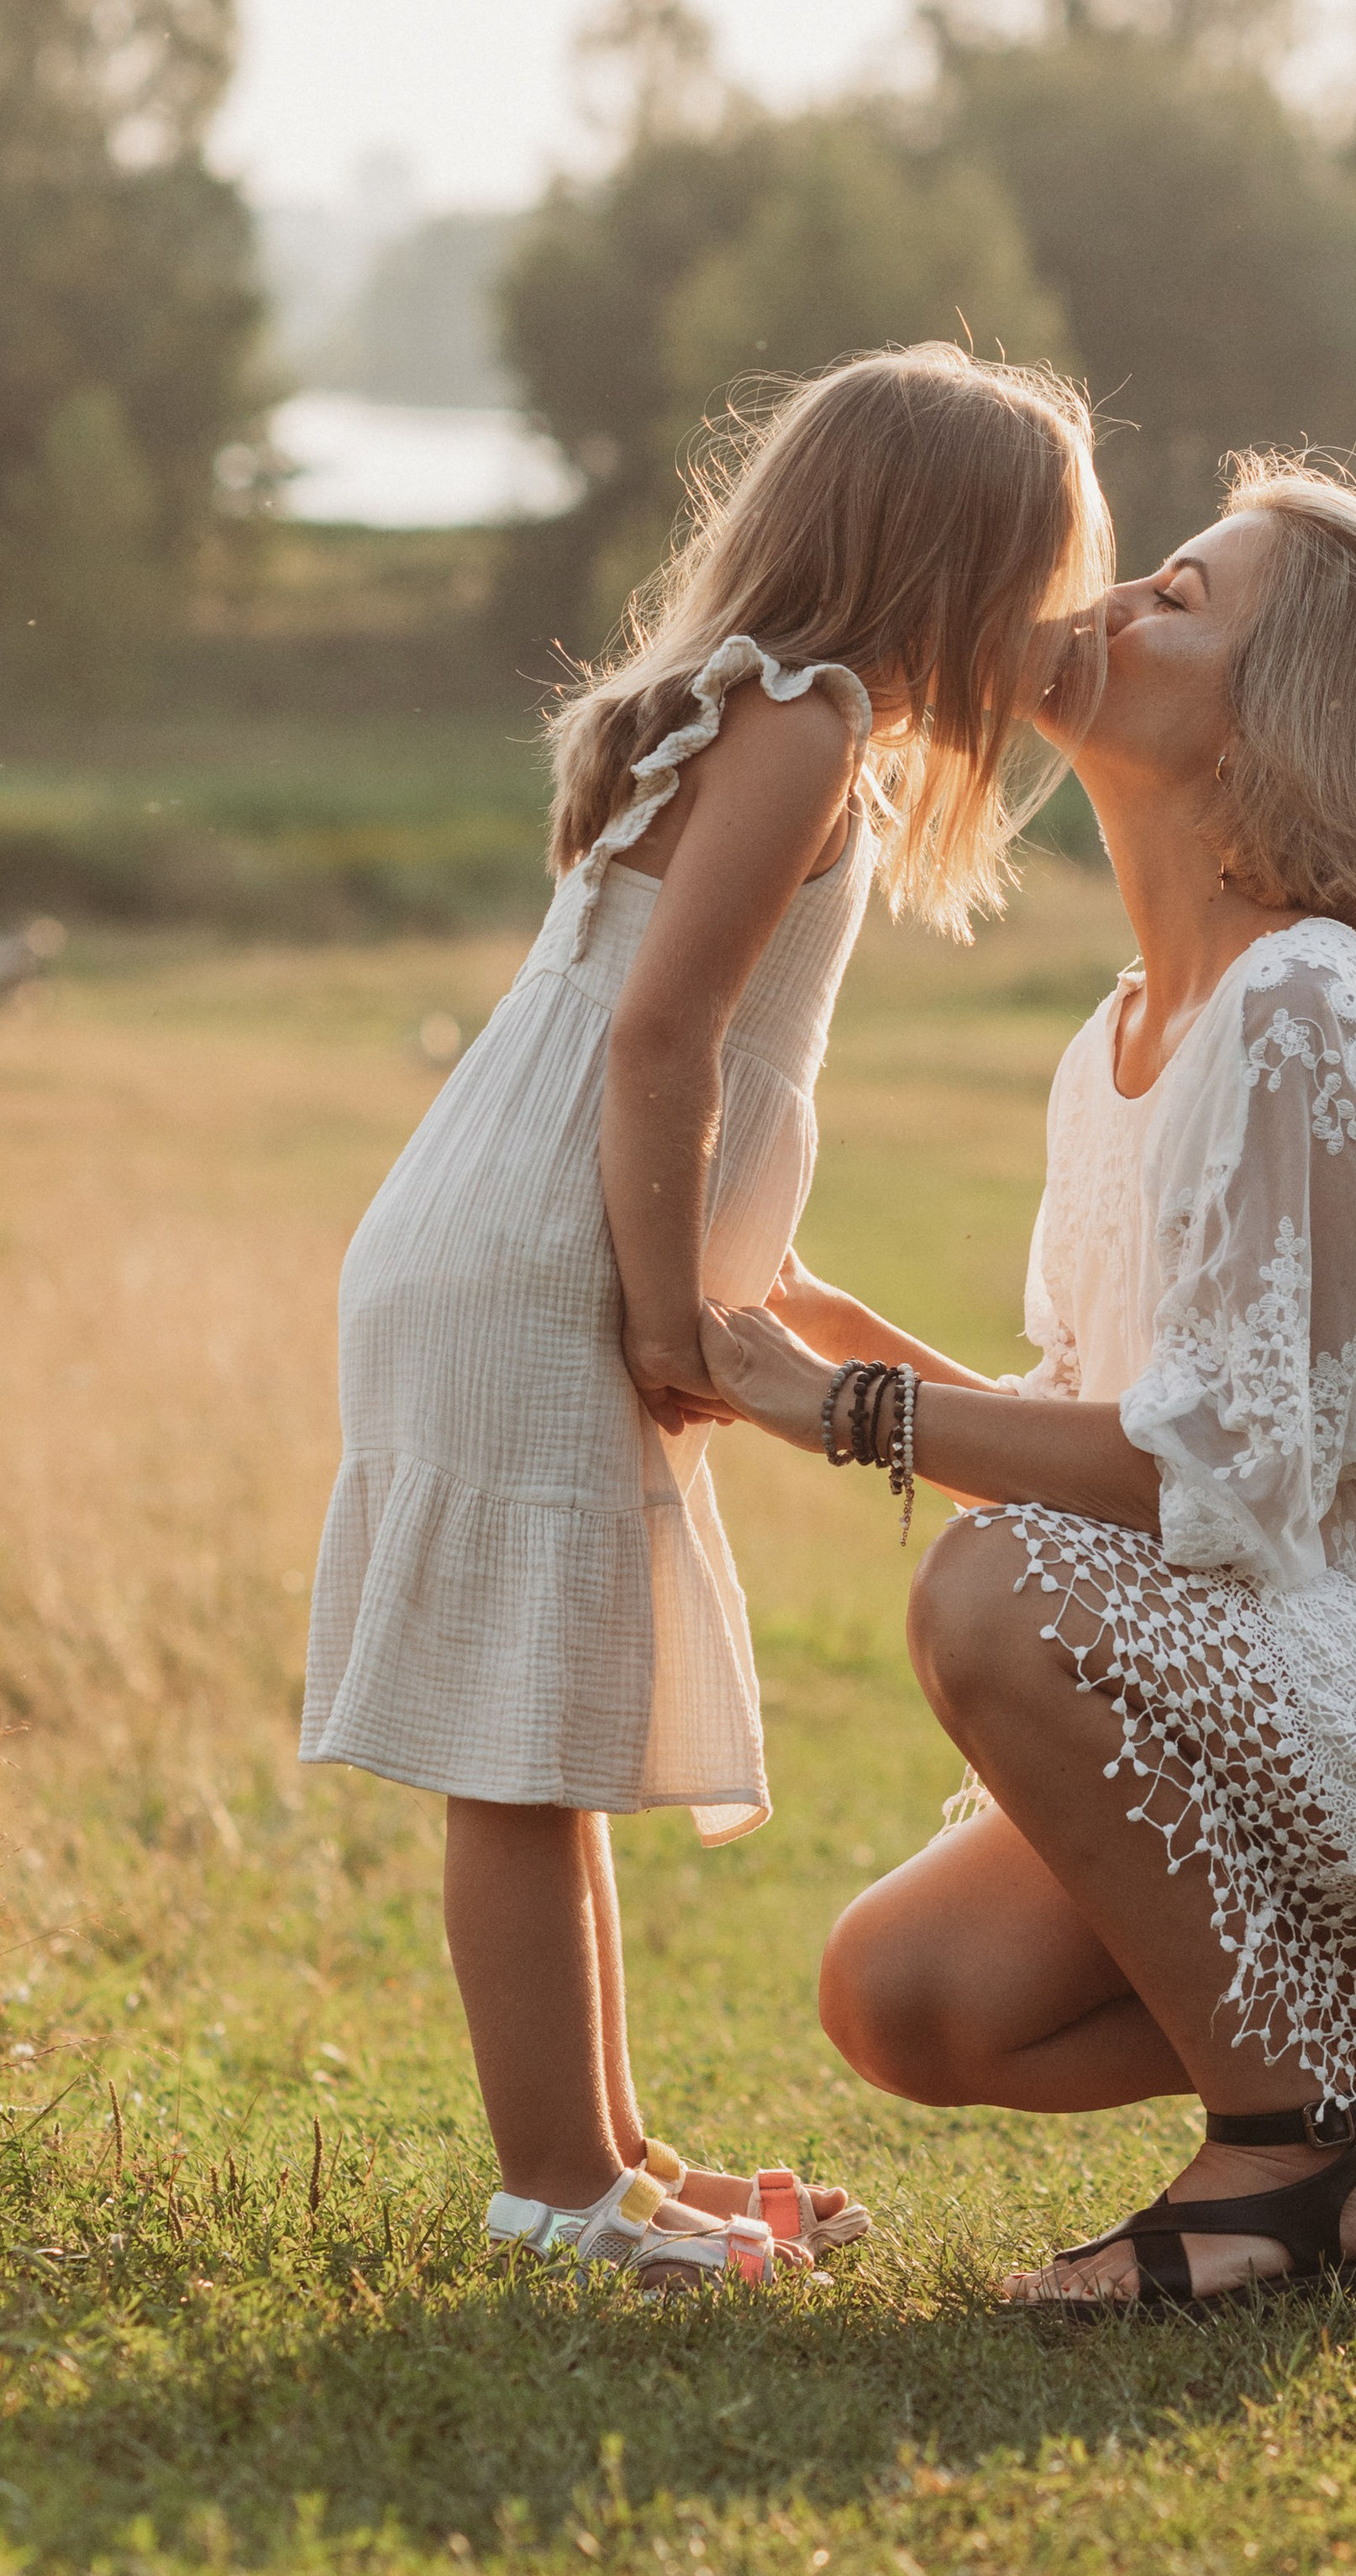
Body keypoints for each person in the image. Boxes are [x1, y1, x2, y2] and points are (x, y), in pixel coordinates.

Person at [701, 456, 1356, 2310]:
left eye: (1175, 597)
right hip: (1355, 1669)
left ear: (1292, 707)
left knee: (990, 1591)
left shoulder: (1308, 1002)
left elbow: (1219, 1483)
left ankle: (1284, 2166)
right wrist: (845, 1341)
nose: (1103, 606)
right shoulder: (1121, 1036)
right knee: (909, 1996)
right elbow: (1110, 1431)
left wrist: (838, 1412)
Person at [300, 346, 1112, 2294]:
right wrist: (669, 1319)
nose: (1049, 630)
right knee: (517, 1758)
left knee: (550, 1735)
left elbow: (715, 1140)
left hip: (515, 1244)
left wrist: (902, 1372)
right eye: (1036, 581)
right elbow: (660, 1042)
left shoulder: (761, 709)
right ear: (949, 561)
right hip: (537, 1266)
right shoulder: (809, 722)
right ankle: (555, 2193)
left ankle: (615, 2161)